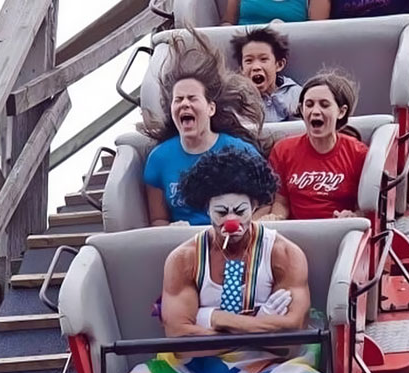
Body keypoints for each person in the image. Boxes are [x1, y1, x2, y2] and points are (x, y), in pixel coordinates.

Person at [97, 148, 340, 373]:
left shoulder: (283, 254)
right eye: (221, 212)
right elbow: (180, 339)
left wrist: (214, 318)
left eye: (240, 211)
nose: (231, 221)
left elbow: (289, 338)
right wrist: (259, 324)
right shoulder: (184, 258)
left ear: (255, 206)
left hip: (269, 367)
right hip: (193, 372)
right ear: (206, 209)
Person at [142, 32, 262, 226]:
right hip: (186, 240)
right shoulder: (158, 158)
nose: (185, 104)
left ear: (210, 108)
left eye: (192, 98)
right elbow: (158, 219)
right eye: (178, 100)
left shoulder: (241, 151)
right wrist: (171, 230)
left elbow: (266, 204)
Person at [268, 72, 368, 220]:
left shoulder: (358, 153)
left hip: (340, 229)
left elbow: (366, 209)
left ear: (341, 112)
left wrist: (352, 216)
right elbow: (281, 203)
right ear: (302, 110)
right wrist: (275, 218)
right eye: (309, 105)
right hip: (295, 231)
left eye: (324, 105)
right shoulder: (283, 150)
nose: (315, 111)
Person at [232, 27, 303, 123]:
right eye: (249, 60)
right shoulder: (236, 100)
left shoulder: (295, 94)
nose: (256, 67)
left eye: (263, 59)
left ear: (279, 64)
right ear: (242, 69)